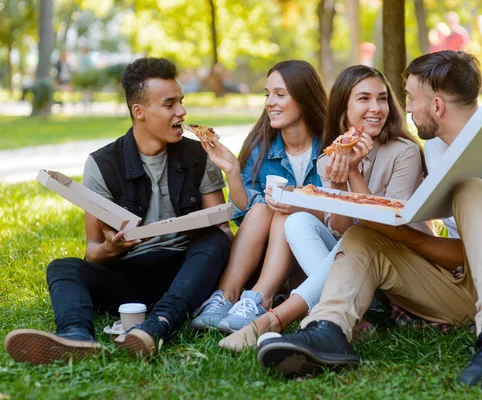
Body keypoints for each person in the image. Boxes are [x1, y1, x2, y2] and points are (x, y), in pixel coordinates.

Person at [256, 51, 482, 385]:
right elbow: (460, 257)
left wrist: (410, 237)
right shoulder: (435, 147)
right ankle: (328, 330)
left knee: (471, 190)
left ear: (436, 106)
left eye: (409, 98)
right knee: (363, 237)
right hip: (466, 283)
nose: (404, 108)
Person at [4, 57, 232, 364]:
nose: (182, 112)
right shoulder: (102, 164)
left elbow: (219, 227)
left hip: (187, 272)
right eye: (169, 104)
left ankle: (157, 326)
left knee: (215, 240)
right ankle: (76, 336)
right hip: (130, 275)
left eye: (181, 101)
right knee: (63, 267)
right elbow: (93, 250)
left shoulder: (197, 154)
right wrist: (112, 248)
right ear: (139, 112)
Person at [218, 65, 428, 351]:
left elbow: (382, 227)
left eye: (382, 99)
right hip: (351, 268)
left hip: (396, 264)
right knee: (296, 222)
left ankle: (274, 319)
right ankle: (357, 314)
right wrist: (340, 185)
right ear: (343, 107)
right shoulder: (330, 158)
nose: (376, 108)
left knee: (357, 239)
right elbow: (341, 229)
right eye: (364, 99)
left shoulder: (405, 152)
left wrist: (353, 173)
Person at [190, 60, 328, 336]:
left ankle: (260, 299)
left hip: (315, 257)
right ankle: (226, 296)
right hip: (268, 257)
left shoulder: (330, 146)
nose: (269, 102)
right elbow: (247, 212)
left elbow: (339, 216)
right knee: (266, 209)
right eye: (267, 94)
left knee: (286, 213)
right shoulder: (261, 145)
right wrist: (231, 171)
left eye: (280, 94)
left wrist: (299, 206)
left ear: (303, 96)